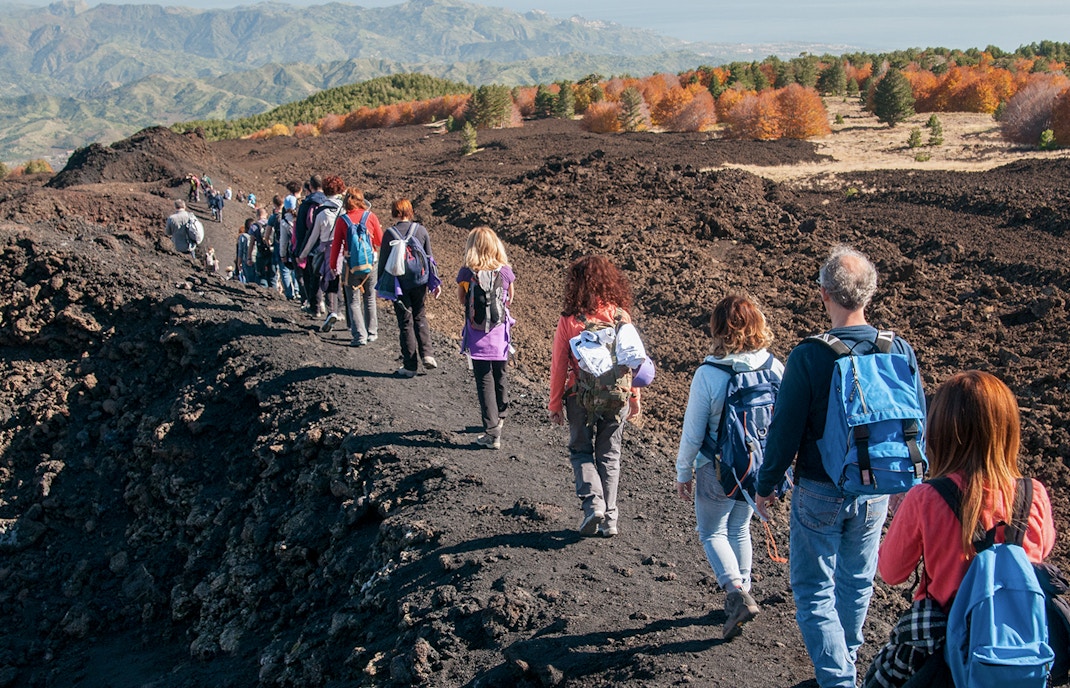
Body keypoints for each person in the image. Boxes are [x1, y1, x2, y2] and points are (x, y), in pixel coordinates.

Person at [753, 246, 926, 688]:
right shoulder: (898, 348)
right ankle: (845, 664)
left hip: (819, 489)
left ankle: (837, 680)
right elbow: (915, 419)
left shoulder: (810, 356)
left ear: (824, 294)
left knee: (813, 591)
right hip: (876, 489)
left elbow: (784, 431)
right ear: (868, 294)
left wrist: (767, 484)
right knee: (857, 582)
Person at [864, 371, 1056, 687]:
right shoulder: (1034, 495)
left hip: (945, 651)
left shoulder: (925, 498)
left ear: (940, 431)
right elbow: (1037, 555)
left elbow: (891, 571)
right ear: (1008, 430)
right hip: (1017, 651)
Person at [675, 294, 783, 639]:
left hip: (716, 469)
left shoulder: (709, 374)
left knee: (712, 532)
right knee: (739, 528)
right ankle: (745, 591)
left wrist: (683, 471)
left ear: (718, 329)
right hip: (756, 467)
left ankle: (736, 594)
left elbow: (693, 433)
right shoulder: (775, 367)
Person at [549, 255, 642, 538]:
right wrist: (634, 397)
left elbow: (559, 365)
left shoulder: (569, 320)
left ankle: (593, 506)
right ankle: (610, 518)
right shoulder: (621, 317)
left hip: (580, 396)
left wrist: (555, 403)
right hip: (616, 397)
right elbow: (631, 359)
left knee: (580, 451)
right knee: (610, 454)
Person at [456, 227, 516, 450]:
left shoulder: (466, 273)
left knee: (484, 380)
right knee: (500, 373)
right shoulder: (505, 272)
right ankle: (501, 413)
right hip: (500, 333)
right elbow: (509, 298)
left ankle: (492, 433)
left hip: (477, 333)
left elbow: (462, 300)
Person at [378, 198, 440, 377]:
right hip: (419, 281)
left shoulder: (389, 233)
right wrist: (434, 283)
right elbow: (429, 258)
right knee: (420, 316)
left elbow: (383, 262)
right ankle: (427, 355)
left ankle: (410, 366)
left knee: (405, 322)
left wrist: (381, 287)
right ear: (410, 212)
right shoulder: (420, 230)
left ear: (394, 212)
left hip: (399, 284)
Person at [329, 188, 383, 347]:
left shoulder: (342, 220)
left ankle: (360, 336)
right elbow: (380, 241)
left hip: (350, 265)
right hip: (371, 264)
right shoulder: (371, 217)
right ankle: (372, 332)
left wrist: (333, 265)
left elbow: (336, 245)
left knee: (353, 301)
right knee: (370, 298)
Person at [298, 176, 345, 330]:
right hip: (343, 250)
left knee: (328, 278)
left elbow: (312, 236)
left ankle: (332, 311)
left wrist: (303, 254)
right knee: (340, 280)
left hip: (326, 249)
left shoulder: (321, 212)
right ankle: (345, 315)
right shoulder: (344, 210)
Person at [294, 175, 330, 315]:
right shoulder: (329, 202)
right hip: (327, 243)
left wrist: (299, 249)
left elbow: (304, 228)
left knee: (311, 276)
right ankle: (330, 306)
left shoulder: (307, 203)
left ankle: (315, 305)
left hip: (311, 245)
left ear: (311, 187)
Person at [235, 219, 257, 284]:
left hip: (246, 260)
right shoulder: (257, 235)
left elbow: (240, 251)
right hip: (257, 259)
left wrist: (238, 263)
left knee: (249, 280)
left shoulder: (243, 237)